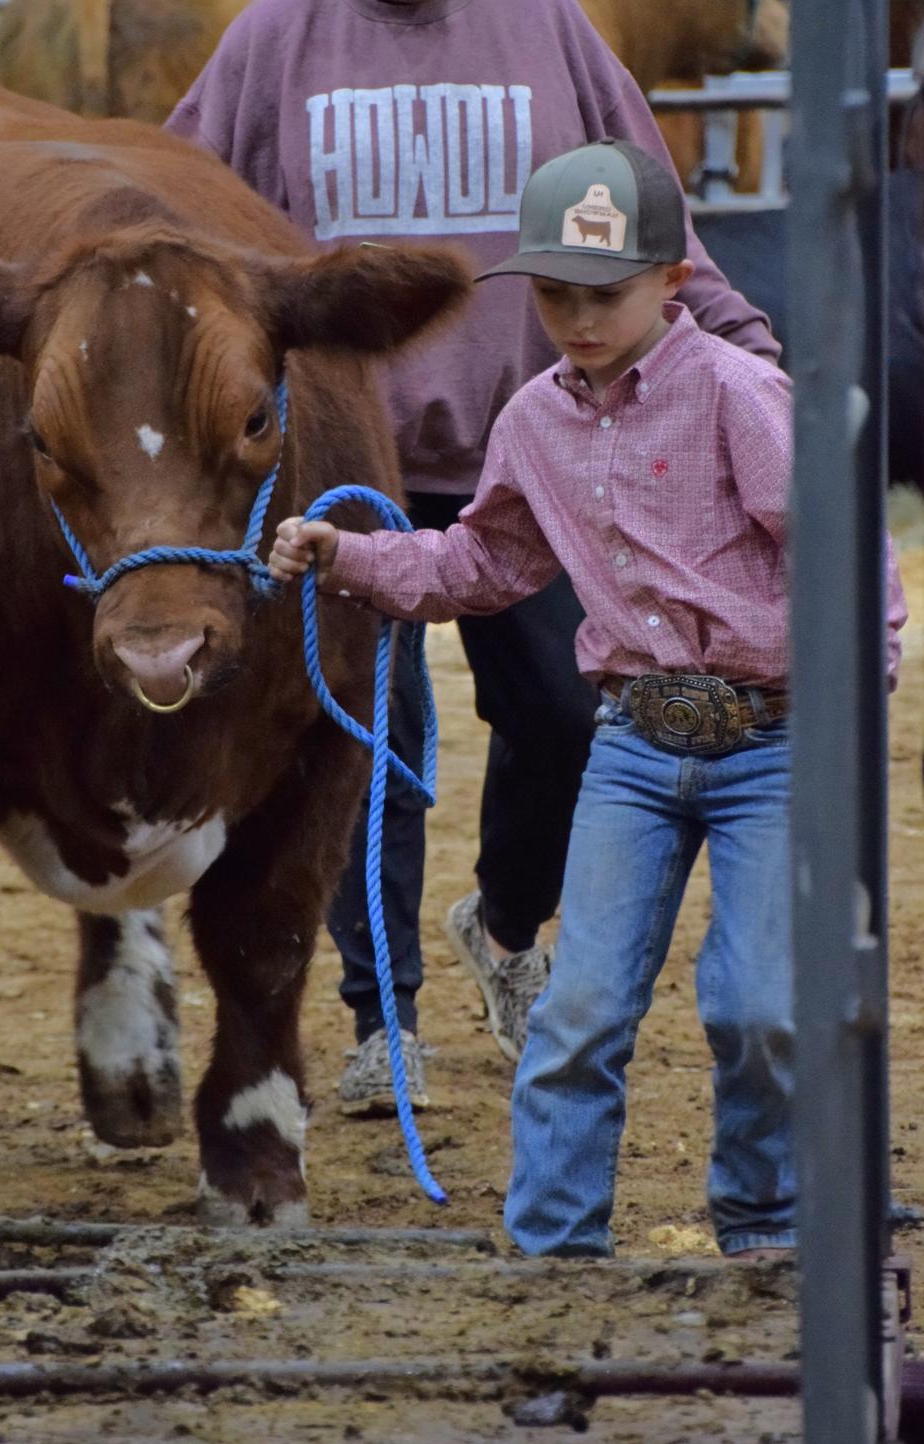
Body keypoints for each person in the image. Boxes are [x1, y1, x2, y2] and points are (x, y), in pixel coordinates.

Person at [268, 138, 907, 1257]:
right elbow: (479, 565)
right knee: (579, 1014)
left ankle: (764, 1224)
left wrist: (862, 686)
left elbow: (842, 549)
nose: (576, 315)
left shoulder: (740, 396)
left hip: (777, 742)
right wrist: (347, 557)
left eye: (602, 291)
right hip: (633, 746)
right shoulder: (535, 423)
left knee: (758, 1010)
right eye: (555, 291)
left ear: (671, 279)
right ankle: (554, 1248)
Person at [166, 0, 780, 1118]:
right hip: (341, 460)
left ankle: (503, 925)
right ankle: (379, 1020)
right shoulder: (274, 39)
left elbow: (646, 202)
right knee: (370, 747)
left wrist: (739, 339)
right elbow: (181, 212)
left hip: (540, 439)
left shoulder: (545, 22)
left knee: (559, 713)